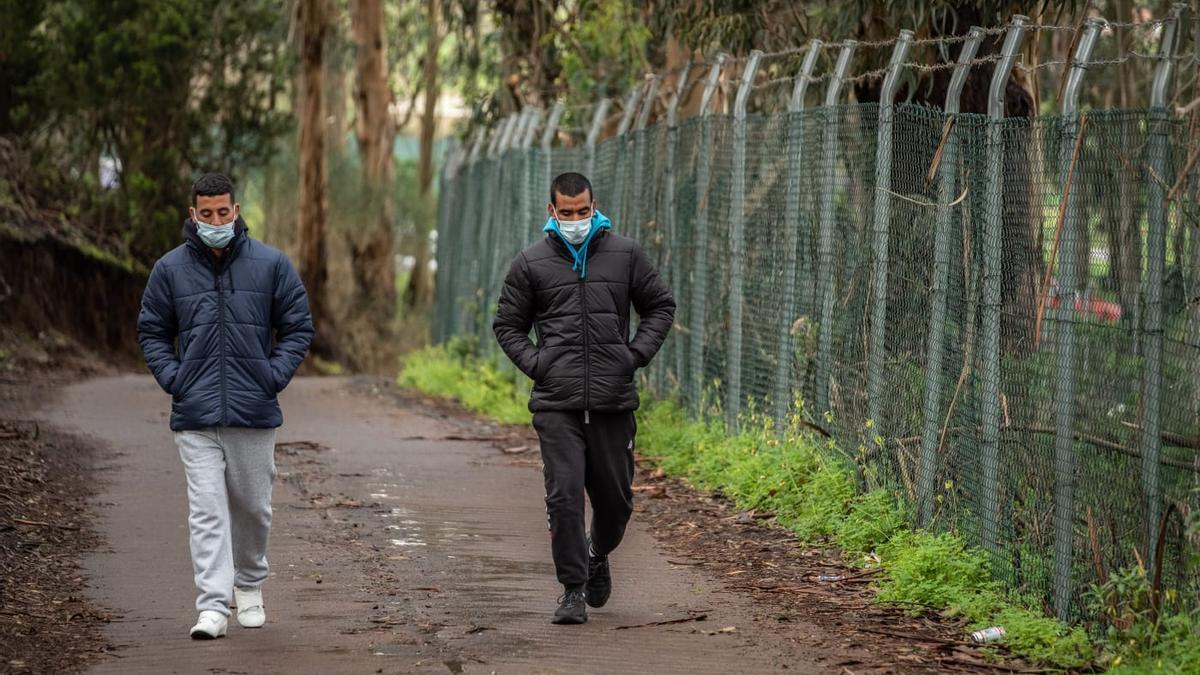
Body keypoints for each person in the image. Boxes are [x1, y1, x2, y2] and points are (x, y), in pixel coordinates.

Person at [493, 172, 675, 624]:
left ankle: (598, 552)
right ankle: (572, 590)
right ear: (551, 212)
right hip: (557, 403)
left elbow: (660, 306)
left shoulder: (626, 255)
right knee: (565, 497)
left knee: (615, 505)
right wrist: (540, 365)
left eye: (583, 211)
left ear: (594, 207)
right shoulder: (530, 263)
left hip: (613, 401)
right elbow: (507, 326)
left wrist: (633, 356)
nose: (576, 219)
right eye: (567, 212)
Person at [137, 173, 313, 639]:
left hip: (253, 413)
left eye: (223, 212)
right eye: (206, 214)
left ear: (236, 211)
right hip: (195, 414)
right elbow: (152, 330)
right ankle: (213, 606)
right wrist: (175, 379)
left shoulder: (271, 265)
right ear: (193, 215)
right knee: (207, 510)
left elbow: (298, 326)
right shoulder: (169, 270)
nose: (216, 221)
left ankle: (250, 585)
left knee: (253, 508)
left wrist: (271, 376)